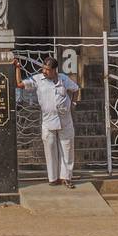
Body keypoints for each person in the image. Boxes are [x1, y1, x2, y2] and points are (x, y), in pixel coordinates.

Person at [14, 54, 79, 187]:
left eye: (47, 69)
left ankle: (66, 177)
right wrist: (17, 68)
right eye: (44, 68)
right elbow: (20, 84)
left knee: (67, 148)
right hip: (48, 120)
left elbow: (76, 89)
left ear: (55, 70)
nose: (44, 71)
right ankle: (53, 178)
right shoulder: (38, 79)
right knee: (50, 149)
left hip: (65, 119)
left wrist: (73, 104)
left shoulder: (63, 79)